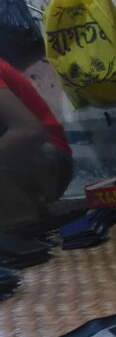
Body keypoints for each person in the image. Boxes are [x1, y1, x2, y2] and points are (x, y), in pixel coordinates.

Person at [0, 56, 73, 229]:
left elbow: (29, 131)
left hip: (49, 157)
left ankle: (23, 227)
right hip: (21, 160)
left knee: (16, 235)